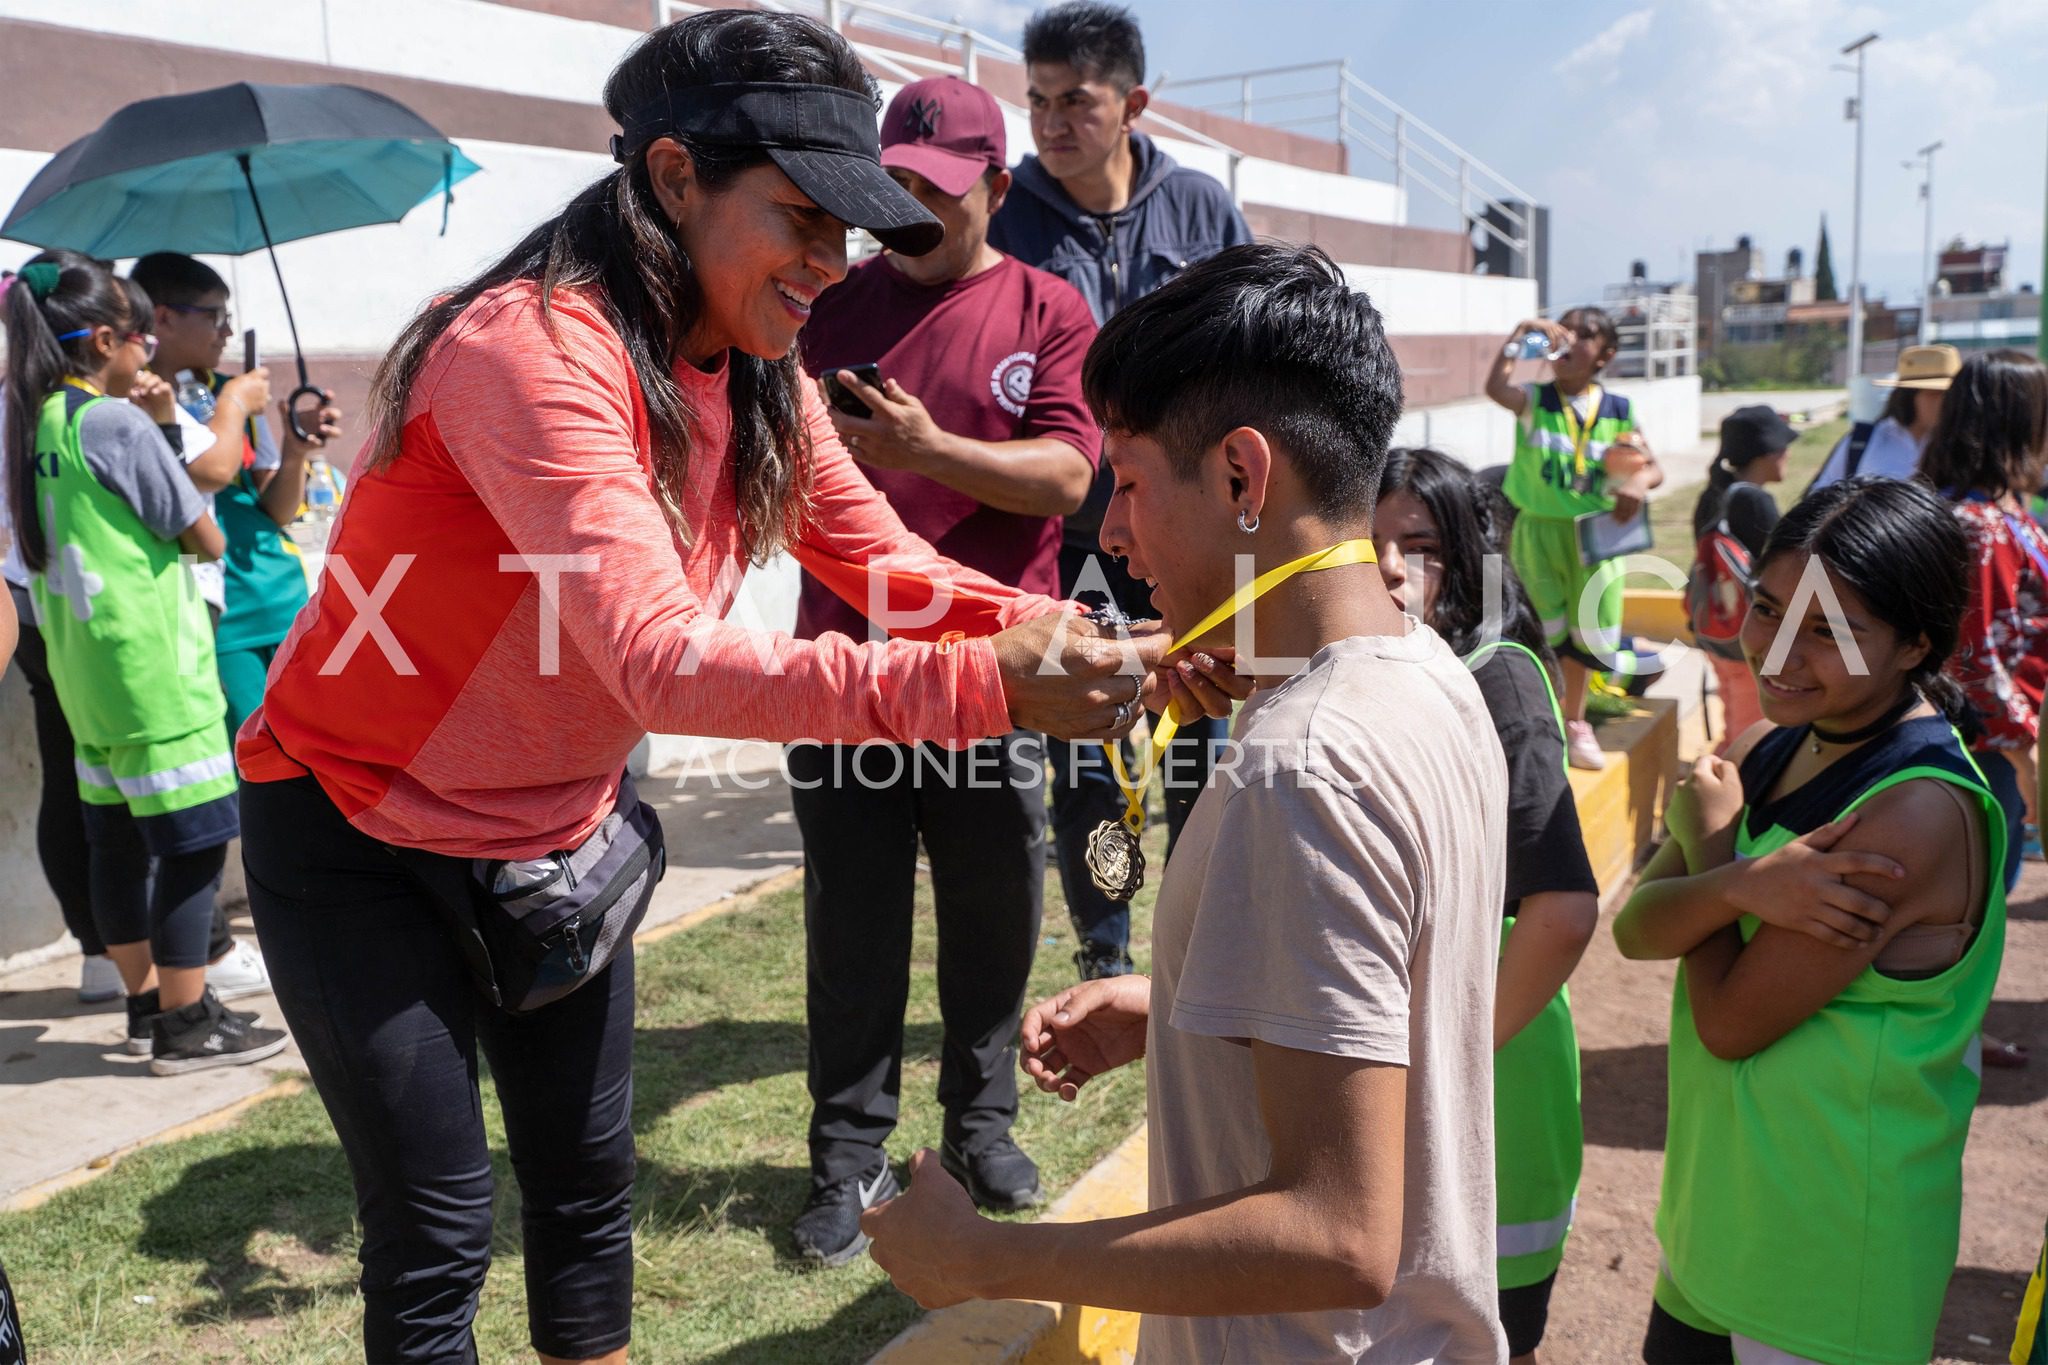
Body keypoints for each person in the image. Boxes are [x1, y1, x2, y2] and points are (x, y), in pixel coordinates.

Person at [231, 14, 1223, 1363]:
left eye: (849, 228)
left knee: (589, 1197)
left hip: (552, 830)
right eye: (803, 218)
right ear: (675, 175)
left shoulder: (762, 363)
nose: (833, 262)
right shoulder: (531, 352)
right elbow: (657, 658)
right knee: (440, 1224)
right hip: (357, 829)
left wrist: (1086, 634)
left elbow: (879, 562)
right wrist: (988, 685)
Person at [863, 243, 1510, 1362]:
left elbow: (1332, 1235)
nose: (1110, 534)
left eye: (1125, 479)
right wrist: (1180, 1012)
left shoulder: (1305, 766)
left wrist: (987, 1261)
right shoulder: (1423, 674)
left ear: (1240, 479)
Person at [786, 74, 1104, 1265]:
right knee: (852, 923)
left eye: (937, 191)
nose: (908, 211)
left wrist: (928, 450)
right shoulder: (822, 306)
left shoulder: (1046, 307)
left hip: (996, 674)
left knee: (990, 915)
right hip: (847, 676)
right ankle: (846, 1155)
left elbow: (1070, 481)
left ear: (998, 189)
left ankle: (980, 1125)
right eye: (894, 189)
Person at [1613, 477, 2005, 1362]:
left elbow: (1727, 1023)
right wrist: (1739, 884)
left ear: (1915, 645)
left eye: (1830, 630)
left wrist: (1714, 853)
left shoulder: (1914, 814)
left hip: (1829, 1254)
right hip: (1718, 1219)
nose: (1779, 650)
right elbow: (1636, 930)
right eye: (1768, 607)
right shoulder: (1768, 745)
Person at [989, 0, 1253, 979]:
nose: (1052, 123)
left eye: (1075, 101)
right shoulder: (1004, 213)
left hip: (1186, 530)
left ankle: (1201, 940)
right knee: (1089, 736)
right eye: (1037, 102)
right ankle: (1104, 953)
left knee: (1203, 729)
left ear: (1132, 102)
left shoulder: (1200, 210)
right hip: (1067, 536)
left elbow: (1243, 354)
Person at [3, 251, 287, 1075]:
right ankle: (187, 1019)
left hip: (86, 676)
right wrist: (167, 432)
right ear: (103, 341)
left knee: (117, 846)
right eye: (138, 341)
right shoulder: (115, 422)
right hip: (155, 671)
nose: (148, 356)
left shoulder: (32, 421)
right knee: (195, 842)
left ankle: (141, 1005)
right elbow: (205, 531)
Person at [1376, 446, 1597, 1365]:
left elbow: (1562, 909)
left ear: (1467, 557)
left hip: (1491, 1072)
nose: (1390, 569)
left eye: (1419, 546)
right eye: (1369, 544)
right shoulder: (1398, 660)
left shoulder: (1497, 678)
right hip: (1427, 1058)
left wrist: (1443, 1057)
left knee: (1487, 1335)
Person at [129, 252, 343, 738]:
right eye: (214, 317)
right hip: (207, 604)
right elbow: (211, 473)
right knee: (243, 757)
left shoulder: (237, 392)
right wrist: (233, 404)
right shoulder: (136, 402)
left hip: (277, 589)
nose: (226, 333)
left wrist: (295, 453)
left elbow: (275, 510)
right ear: (163, 317)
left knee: (304, 750)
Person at [1485, 306, 1662, 771]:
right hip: (1538, 532)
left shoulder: (1619, 411)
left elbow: (1653, 468)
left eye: (1584, 334)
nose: (1569, 338)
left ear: (1604, 356)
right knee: (1544, 633)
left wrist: (1636, 485)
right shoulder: (1535, 399)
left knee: (1588, 634)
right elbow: (1494, 387)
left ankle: (1574, 721)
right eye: (1565, 328)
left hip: (1596, 537)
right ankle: (1543, 721)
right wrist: (1520, 332)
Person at [1925, 349, 2048, 896]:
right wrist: (2024, 754)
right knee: (1978, 901)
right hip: (1985, 750)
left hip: (1995, 742)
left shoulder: (1998, 512)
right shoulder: (1978, 525)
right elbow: (1972, 656)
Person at [1691, 405, 1796, 749]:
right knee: (1751, 741)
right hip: (1746, 638)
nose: (1788, 455)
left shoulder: (1713, 495)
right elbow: (1783, 571)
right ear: (1768, 453)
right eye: (1784, 448)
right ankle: (1731, 799)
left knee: (1734, 726)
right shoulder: (1754, 502)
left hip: (1715, 631)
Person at [1808, 342, 1959, 488]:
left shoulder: (1963, 445)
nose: (1947, 402)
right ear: (1908, 396)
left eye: (1953, 394)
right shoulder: (1864, 440)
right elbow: (1822, 495)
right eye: (1936, 393)